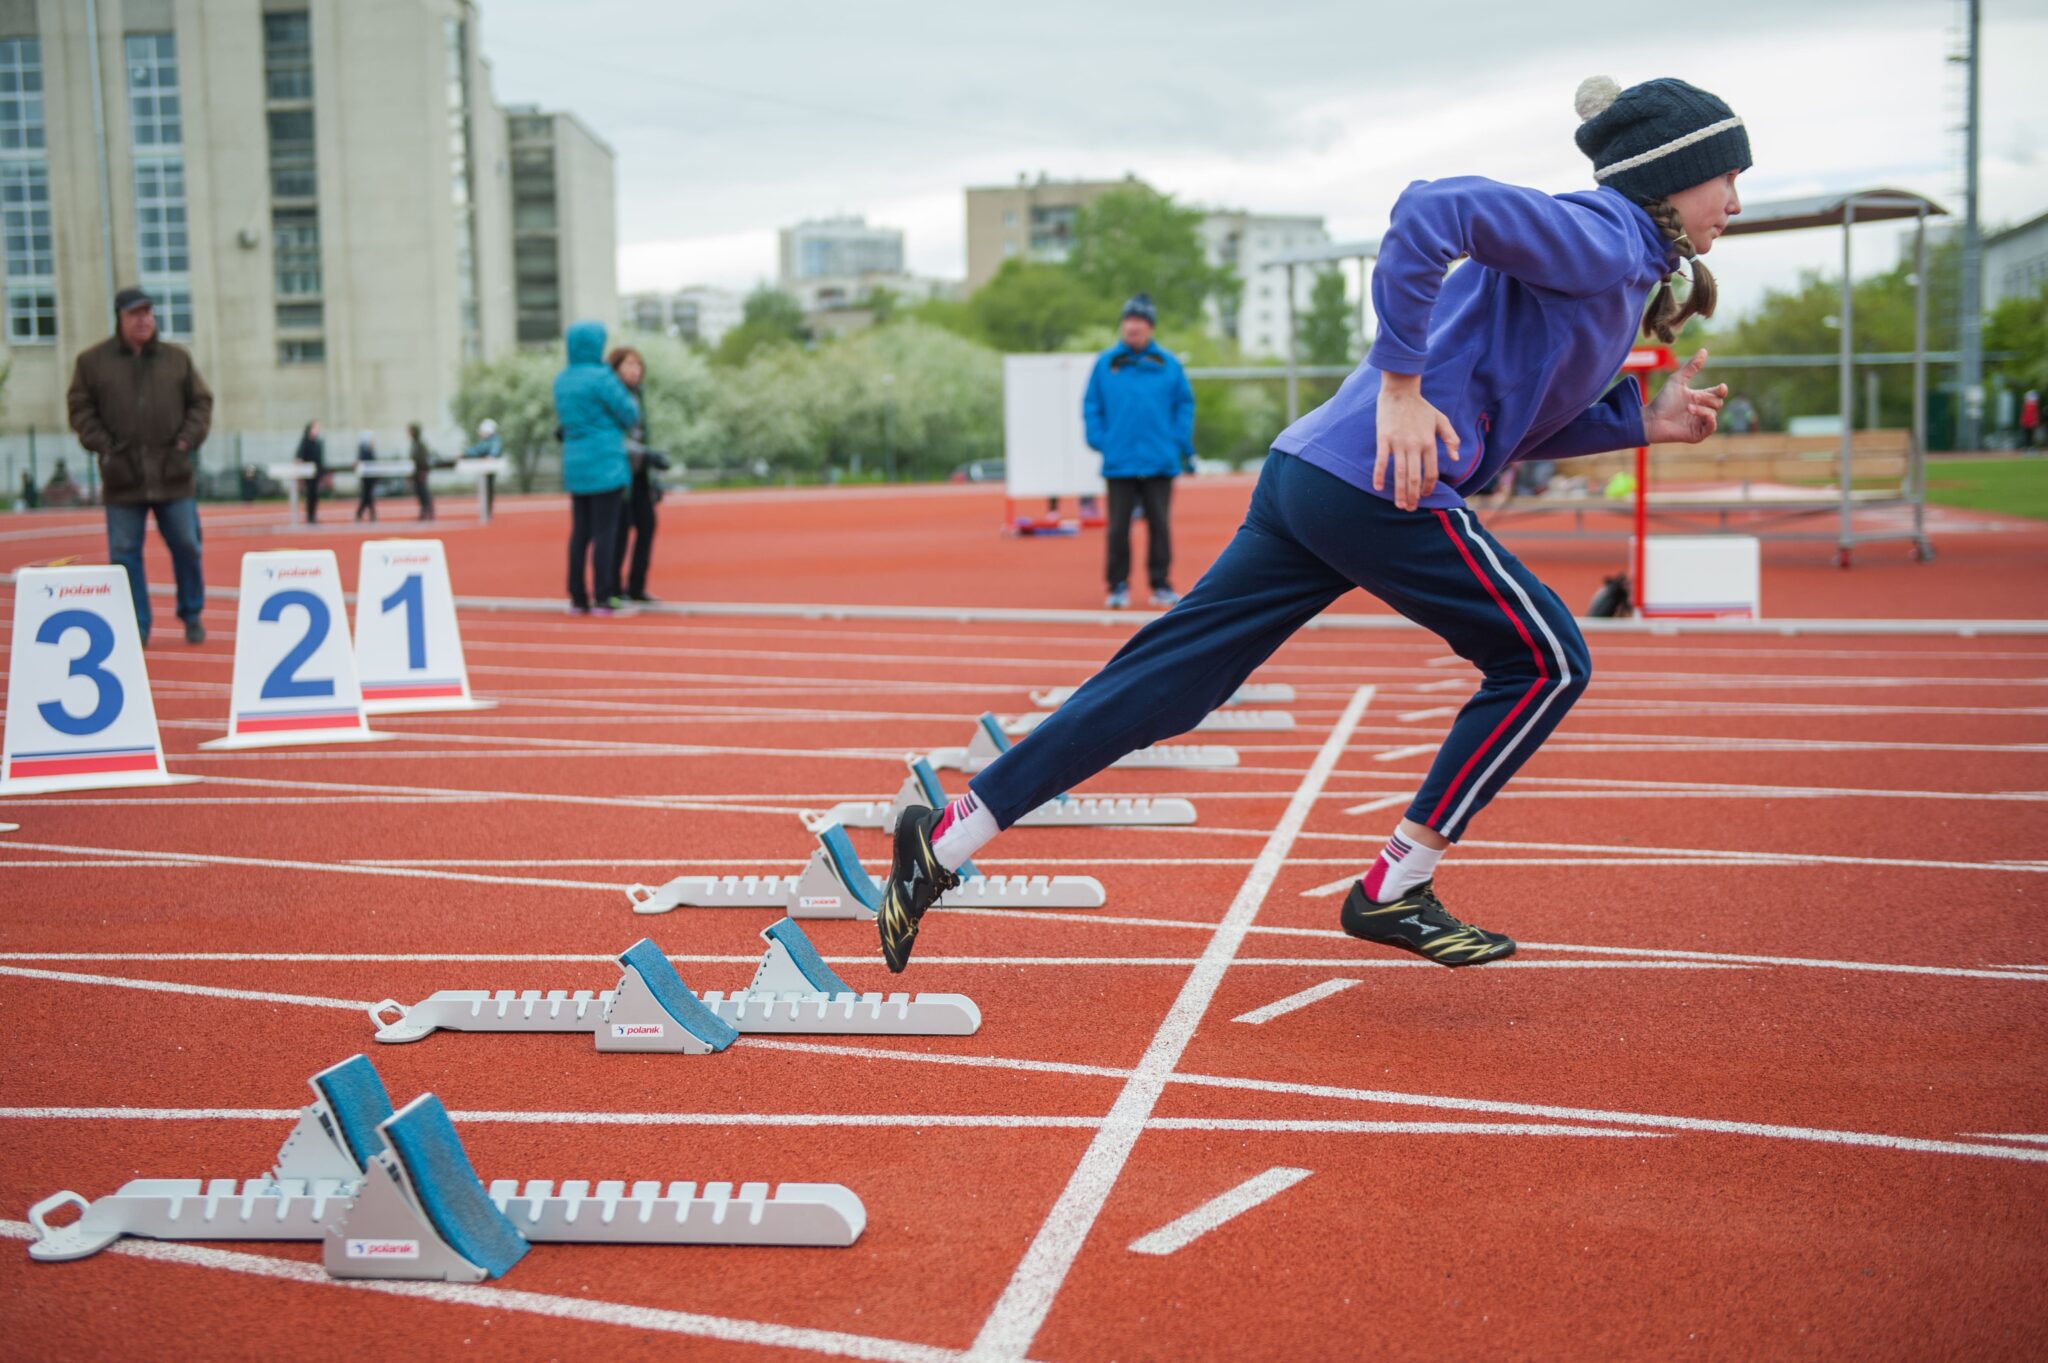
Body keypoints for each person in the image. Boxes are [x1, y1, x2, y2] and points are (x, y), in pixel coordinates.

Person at [873, 75, 1747, 974]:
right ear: (1674, 174)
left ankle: (946, 838)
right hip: (1378, 483)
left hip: (1312, 477)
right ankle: (1394, 887)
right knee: (1548, 659)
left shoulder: (1622, 269)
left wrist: (1640, 420)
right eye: (1727, 176)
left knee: (1169, 685)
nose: (1736, 200)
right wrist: (1402, 385)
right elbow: (1426, 211)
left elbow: (1514, 424)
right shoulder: (1597, 234)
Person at [66, 285, 213, 645]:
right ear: (120, 318)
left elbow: (201, 403)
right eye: (135, 313)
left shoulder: (176, 359)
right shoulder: (92, 363)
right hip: (123, 479)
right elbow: (80, 409)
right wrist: (106, 447)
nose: (144, 319)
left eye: (148, 312)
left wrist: (184, 442)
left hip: (172, 474)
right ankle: (137, 625)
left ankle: (191, 613)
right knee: (124, 555)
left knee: (187, 544)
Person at [1083, 292, 1194, 609]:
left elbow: (1184, 404)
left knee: (1160, 525)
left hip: (1160, 459)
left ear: (1151, 328)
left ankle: (1161, 584)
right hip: (1120, 461)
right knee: (1118, 528)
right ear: (1122, 325)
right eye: (1129, 320)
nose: (1133, 327)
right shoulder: (1106, 364)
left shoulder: (1168, 365)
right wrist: (1101, 439)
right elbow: (1092, 405)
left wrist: (1177, 441)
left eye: (1140, 321)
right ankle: (1117, 585)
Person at [553, 319, 638, 616]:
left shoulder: (562, 379)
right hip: (605, 462)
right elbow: (629, 413)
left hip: (575, 463)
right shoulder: (602, 378)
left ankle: (578, 596)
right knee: (606, 532)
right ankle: (603, 596)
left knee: (580, 532)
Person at [607, 345, 661, 603]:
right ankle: (613, 587)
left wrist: (653, 475)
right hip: (618, 473)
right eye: (628, 364)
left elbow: (642, 434)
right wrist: (646, 455)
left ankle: (636, 586)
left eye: (638, 365)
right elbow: (615, 437)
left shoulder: (638, 395)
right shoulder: (612, 396)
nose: (634, 370)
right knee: (619, 529)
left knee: (647, 525)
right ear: (615, 369)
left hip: (639, 472)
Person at [463, 417, 502, 517]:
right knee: (486, 489)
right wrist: (465, 454)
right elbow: (476, 450)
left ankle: (487, 510)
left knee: (488, 489)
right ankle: (486, 510)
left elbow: (495, 451)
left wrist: (491, 456)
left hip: (490, 469)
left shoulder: (494, 441)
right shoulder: (485, 442)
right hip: (484, 469)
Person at [295, 420, 325, 524]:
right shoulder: (304, 442)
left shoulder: (318, 443)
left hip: (316, 472)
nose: (317, 431)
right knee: (310, 494)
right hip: (307, 473)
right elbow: (299, 457)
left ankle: (313, 515)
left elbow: (320, 460)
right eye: (315, 428)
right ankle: (309, 516)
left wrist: (321, 474)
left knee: (315, 495)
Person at [407, 422, 436, 521]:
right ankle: (424, 512)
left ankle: (429, 512)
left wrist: (424, 471)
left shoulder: (420, 445)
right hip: (416, 473)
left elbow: (423, 459)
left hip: (420, 472)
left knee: (424, 493)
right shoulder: (414, 444)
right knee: (420, 493)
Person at [355, 430, 380, 523]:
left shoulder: (369, 450)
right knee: (367, 496)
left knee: (367, 497)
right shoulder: (364, 451)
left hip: (370, 477)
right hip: (367, 478)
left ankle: (363, 514)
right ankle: (369, 514)